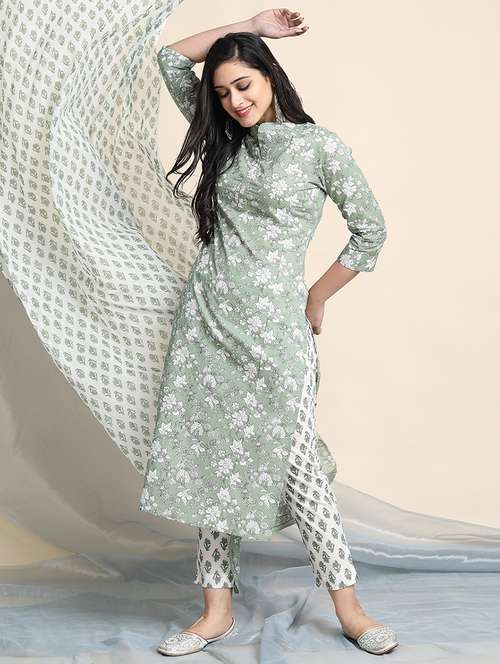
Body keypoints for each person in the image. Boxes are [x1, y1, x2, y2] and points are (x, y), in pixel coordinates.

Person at [139, 8, 398, 657]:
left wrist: (317, 295)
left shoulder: (318, 147)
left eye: (244, 85)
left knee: (300, 466)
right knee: (211, 465)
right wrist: (250, 23)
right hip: (206, 326)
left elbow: (370, 231)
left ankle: (351, 610)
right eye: (223, 91)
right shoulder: (225, 139)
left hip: (276, 331)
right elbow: (170, 58)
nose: (235, 100)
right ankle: (215, 613)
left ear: (270, 77)